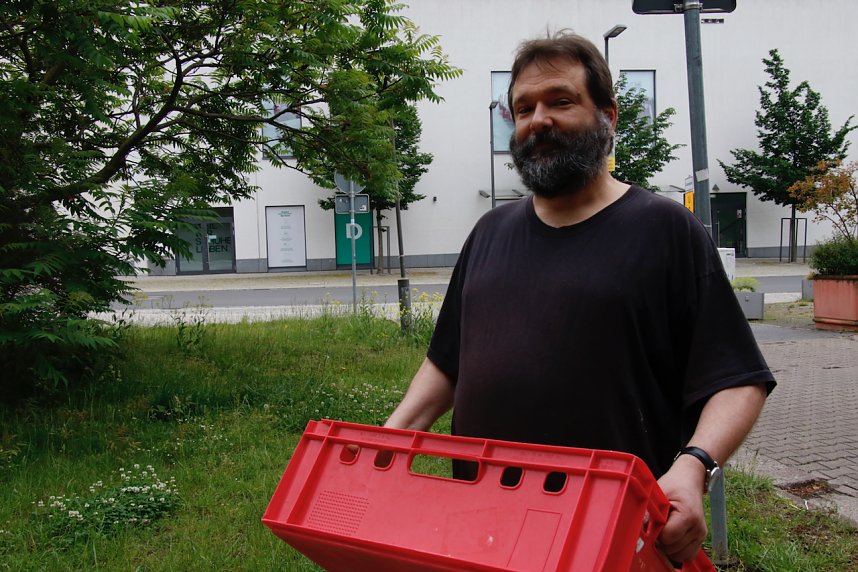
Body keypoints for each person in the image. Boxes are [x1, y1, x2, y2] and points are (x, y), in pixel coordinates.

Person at [385, 32, 775, 564]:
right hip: (485, 530)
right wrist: (394, 437)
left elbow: (737, 379)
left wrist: (692, 467)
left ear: (609, 116)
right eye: (523, 108)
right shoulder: (489, 232)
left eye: (560, 101)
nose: (538, 119)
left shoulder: (664, 229)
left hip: (616, 537)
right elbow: (447, 362)